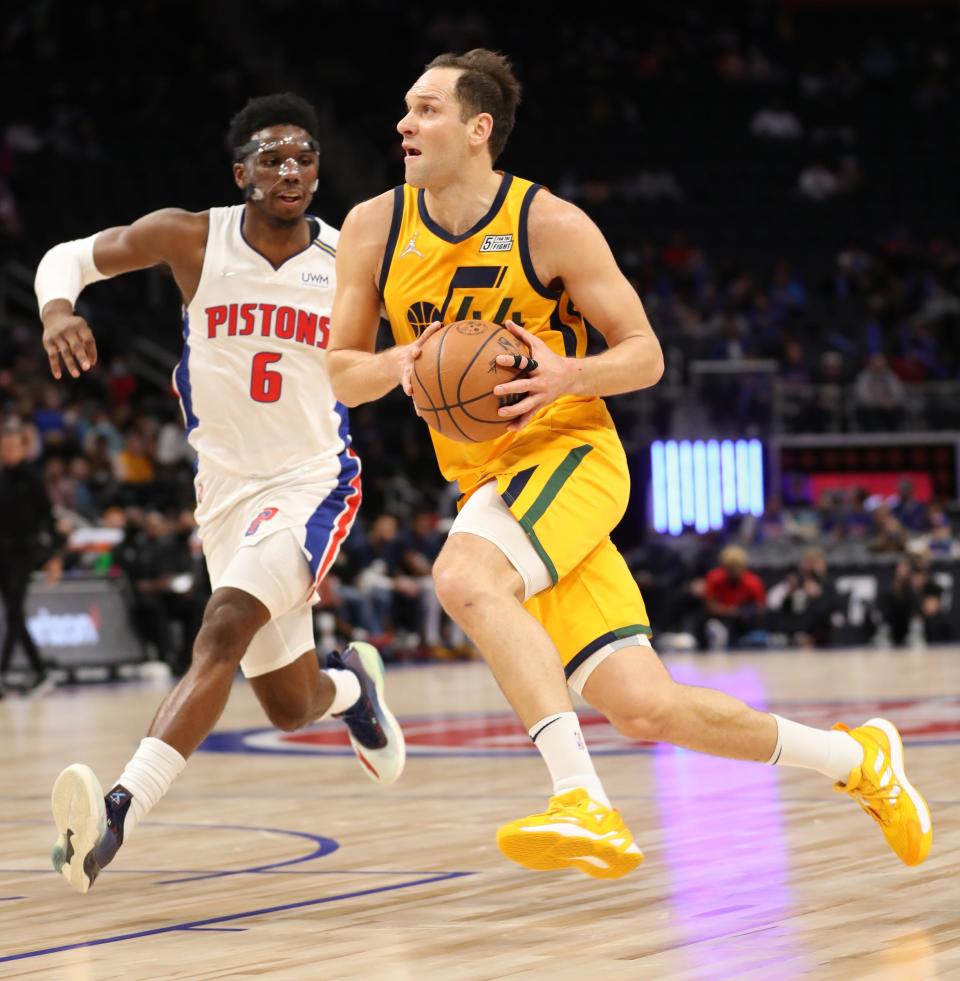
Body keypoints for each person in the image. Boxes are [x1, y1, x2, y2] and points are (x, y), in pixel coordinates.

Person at [327, 49, 931, 877]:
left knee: (466, 577)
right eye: (405, 107)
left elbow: (645, 355)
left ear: (478, 130)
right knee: (647, 707)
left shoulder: (552, 224)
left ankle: (582, 800)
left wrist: (571, 373)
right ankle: (857, 760)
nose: (404, 122)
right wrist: (406, 363)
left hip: (570, 449)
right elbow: (340, 371)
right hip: (490, 480)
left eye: (426, 109)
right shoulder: (373, 226)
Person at [33, 93, 405, 895]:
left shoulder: (348, 259)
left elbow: (379, 361)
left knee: (221, 631)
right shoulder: (191, 236)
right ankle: (352, 688)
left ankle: (118, 811)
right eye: (272, 157)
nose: (292, 169)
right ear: (242, 174)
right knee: (289, 701)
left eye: (304, 156)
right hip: (225, 493)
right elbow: (65, 255)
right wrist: (58, 309)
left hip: (312, 482)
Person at [0, 421, 63, 695]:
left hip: (24, 553)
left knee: (14, 610)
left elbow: (48, 519)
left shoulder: (33, 479)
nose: (8, 450)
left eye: (14, 446)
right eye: (5, 446)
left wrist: (53, 558)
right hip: (1, 553)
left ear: (24, 449)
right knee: (14, 615)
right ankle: (40, 670)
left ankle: (1, 673)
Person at [701, 545, 767, 650]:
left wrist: (746, 611)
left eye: (736, 567)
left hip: (743, 618)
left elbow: (760, 607)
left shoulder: (753, 582)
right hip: (721, 617)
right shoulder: (714, 578)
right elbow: (710, 605)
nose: (733, 571)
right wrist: (728, 611)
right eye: (730, 567)